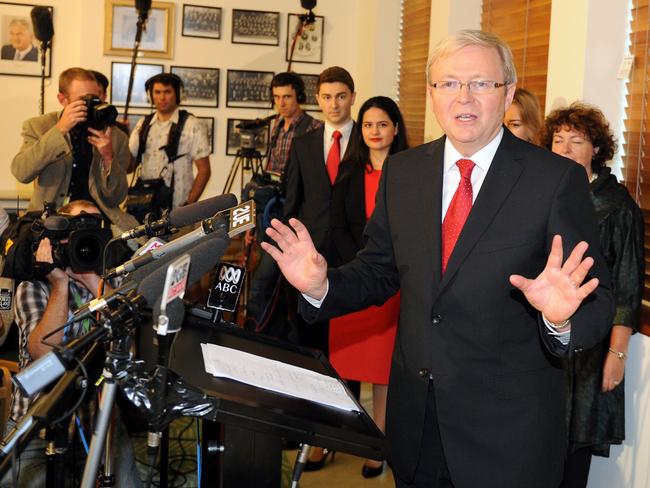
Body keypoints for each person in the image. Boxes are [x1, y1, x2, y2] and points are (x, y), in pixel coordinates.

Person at [261, 30, 614, 488]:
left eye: (480, 84)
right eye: (448, 83)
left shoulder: (554, 180)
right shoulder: (404, 171)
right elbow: (379, 269)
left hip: (507, 438)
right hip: (417, 429)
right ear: (431, 94)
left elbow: (598, 297)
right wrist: (320, 285)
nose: (463, 97)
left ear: (507, 92)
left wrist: (561, 321)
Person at [2, 200, 141, 487]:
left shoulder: (109, 284)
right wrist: (60, 284)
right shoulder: (33, 285)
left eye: (93, 230)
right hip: (39, 417)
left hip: (97, 419)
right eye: (77, 229)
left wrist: (91, 279)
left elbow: (129, 350)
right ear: (59, 234)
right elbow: (44, 356)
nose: (85, 239)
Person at [543, 102, 644, 488]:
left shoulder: (618, 208)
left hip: (590, 345)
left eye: (577, 141)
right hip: (543, 336)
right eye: (558, 140)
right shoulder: (544, 196)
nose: (565, 149)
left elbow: (627, 287)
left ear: (597, 149)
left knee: (572, 454)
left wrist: (617, 355)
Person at [328, 96, 408, 478]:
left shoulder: (412, 171)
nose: (375, 132)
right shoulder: (348, 172)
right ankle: (336, 439)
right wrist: (357, 265)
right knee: (343, 367)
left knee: (382, 372)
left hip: (393, 284)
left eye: (383, 124)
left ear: (396, 128)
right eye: (368, 125)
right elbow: (338, 225)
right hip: (351, 280)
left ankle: (378, 443)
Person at [281, 66, 356, 467]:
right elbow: (293, 201)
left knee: (348, 352)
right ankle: (309, 428)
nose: (333, 104)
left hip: (352, 261)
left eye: (340, 96)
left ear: (352, 97)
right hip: (308, 261)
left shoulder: (368, 137)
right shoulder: (305, 142)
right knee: (309, 346)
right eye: (326, 97)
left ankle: (344, 430)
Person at [11, 67, 137, 233]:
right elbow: (21, 172)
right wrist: (59, 130)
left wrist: (108, 158)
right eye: (83, 100)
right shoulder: (39, 126)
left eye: (95, 98)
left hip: (98, 220)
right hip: (49, 220)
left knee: (137, 245)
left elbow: (117, 197)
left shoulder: (115, 136)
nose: (90, 105)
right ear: (63, 99)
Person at [244, 72, 322, 338]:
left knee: (266, 282)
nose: (282, 103)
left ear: (299, 96)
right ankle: (268, 336)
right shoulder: (277, 126)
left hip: (291, 216)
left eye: (287, 97)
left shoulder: (314, 128)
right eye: (277, 97)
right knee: (264, 280)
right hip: (268, 211)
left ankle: (264, 336)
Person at [128, 73, 211, 213]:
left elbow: (204, 170)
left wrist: (189, 205)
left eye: (167, 92)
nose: (162, 97)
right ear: (151, 95)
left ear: (177, 94)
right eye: (157, 92)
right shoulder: (143, 125)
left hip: (179, 207)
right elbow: (128, 167)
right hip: (145, 206)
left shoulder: (193, 125)